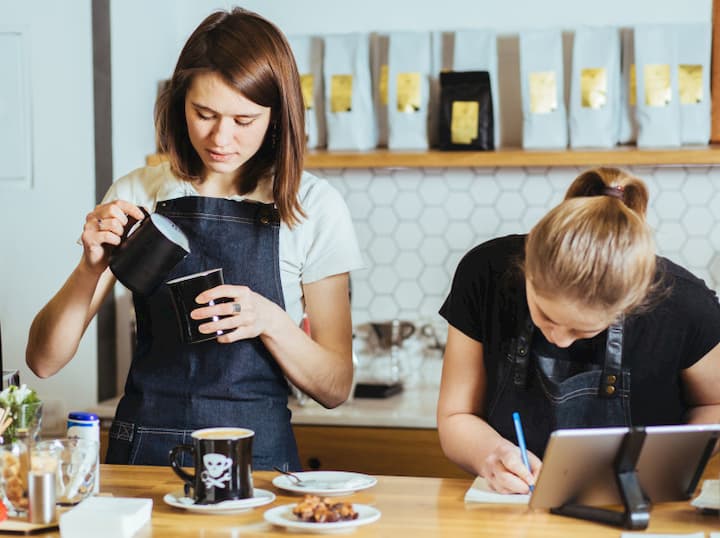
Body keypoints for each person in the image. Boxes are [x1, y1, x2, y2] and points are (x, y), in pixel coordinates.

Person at [25, 7, 363, 471]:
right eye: (203, 114)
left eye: (244, 120)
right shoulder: (137, 194)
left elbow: (336, 386)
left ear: (278, 115)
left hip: (257, 463)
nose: (221, 137)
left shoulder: (313, 207)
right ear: (179, 101)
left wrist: (271, 321)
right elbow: (43, 361)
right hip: (144, 458)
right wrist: (90, 267)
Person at [437, 167, 720, 494]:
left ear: (630, 303)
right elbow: (456, 415)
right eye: (545, 314)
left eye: (583, 330)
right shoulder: (485, 274)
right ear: (527, 268)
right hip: (512, 507)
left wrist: (663, 464)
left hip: (636, 508)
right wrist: (491, 455)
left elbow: (714, 406)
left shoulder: (685, 305)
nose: (557, 338)